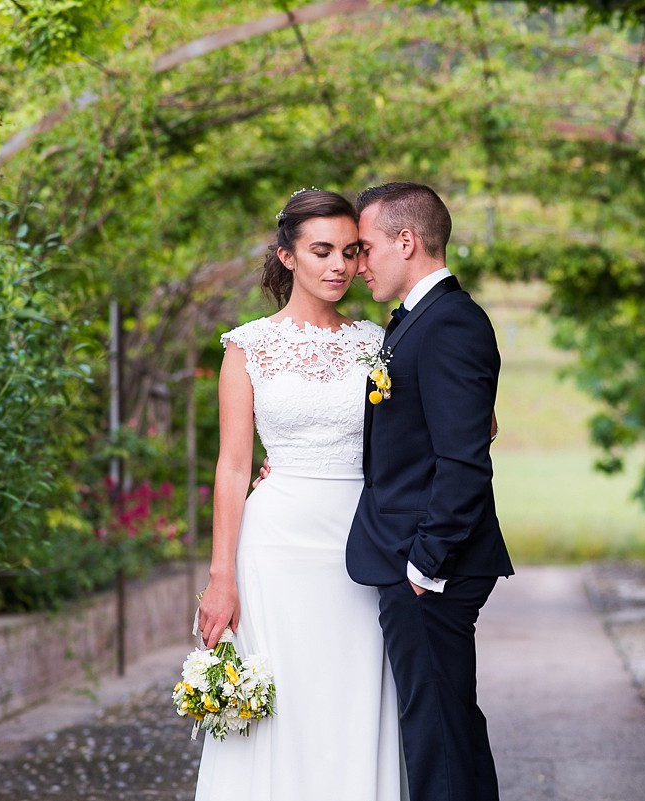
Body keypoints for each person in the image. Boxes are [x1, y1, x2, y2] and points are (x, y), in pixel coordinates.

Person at [193, 189, 405, 801]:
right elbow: (232, 467)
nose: (338, 265)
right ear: (287, 256)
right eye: (321, 251)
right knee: (283, 698)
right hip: (275, 548)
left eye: (350, 251)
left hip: (360, 545)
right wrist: (221, 578)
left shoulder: (375, 342)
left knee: (352, 693)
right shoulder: (247, 347)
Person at [348, 182, 514, 801]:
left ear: (407, 240)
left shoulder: (449, 325)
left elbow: (464, 463)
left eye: (365, 249)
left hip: (431, 566)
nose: (358, 264)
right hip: (419, 557)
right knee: (447, 726)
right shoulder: (420, 320)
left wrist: (424, 562)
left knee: (435, 732)